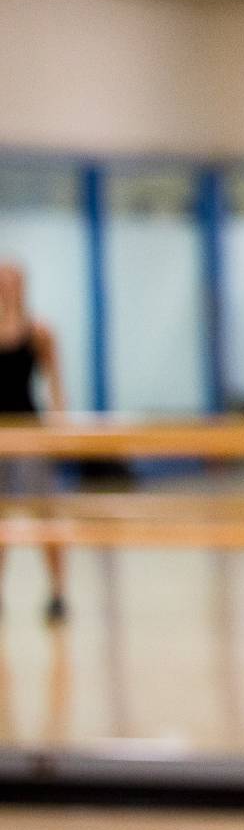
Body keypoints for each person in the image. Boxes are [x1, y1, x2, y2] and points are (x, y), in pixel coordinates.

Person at [0, 261, 68, 624]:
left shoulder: (39, 331)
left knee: (45, 515)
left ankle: (57, 592)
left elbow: (55, 383)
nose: (7, 287)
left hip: (29, 431)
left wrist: (58, 428)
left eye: (13, 281)